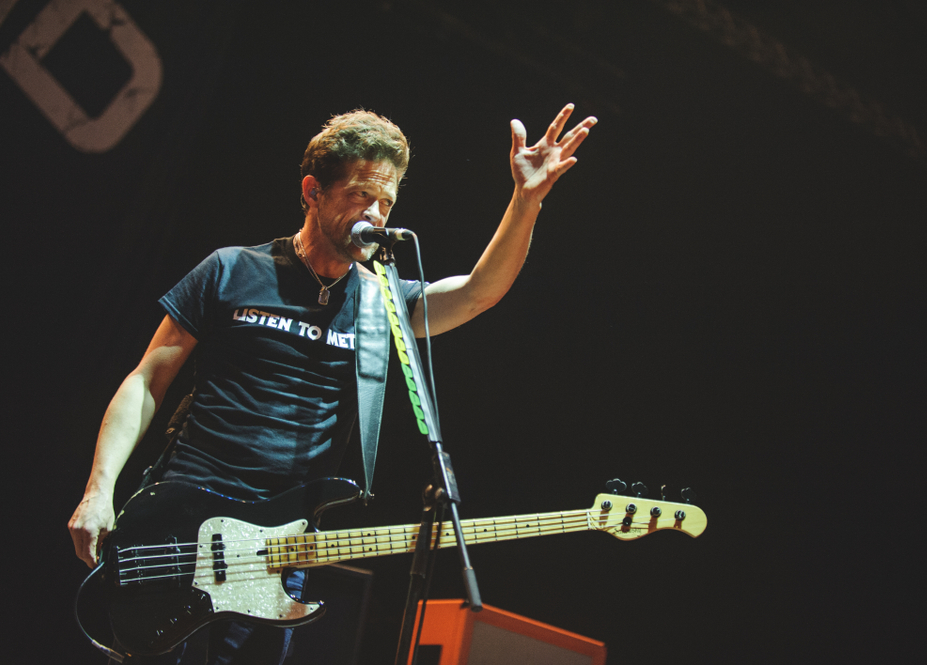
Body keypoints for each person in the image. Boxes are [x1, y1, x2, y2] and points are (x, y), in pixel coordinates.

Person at [67, 104, 597, 664]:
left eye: (386, 202)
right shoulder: (231, 269)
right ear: (313, 192)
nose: (375, 213)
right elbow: (148, 379)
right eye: (359, 196)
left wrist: (525, 201)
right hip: (178, 518)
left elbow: (476, 293)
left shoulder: (380, 302)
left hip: (283, 538)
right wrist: (100, 490)